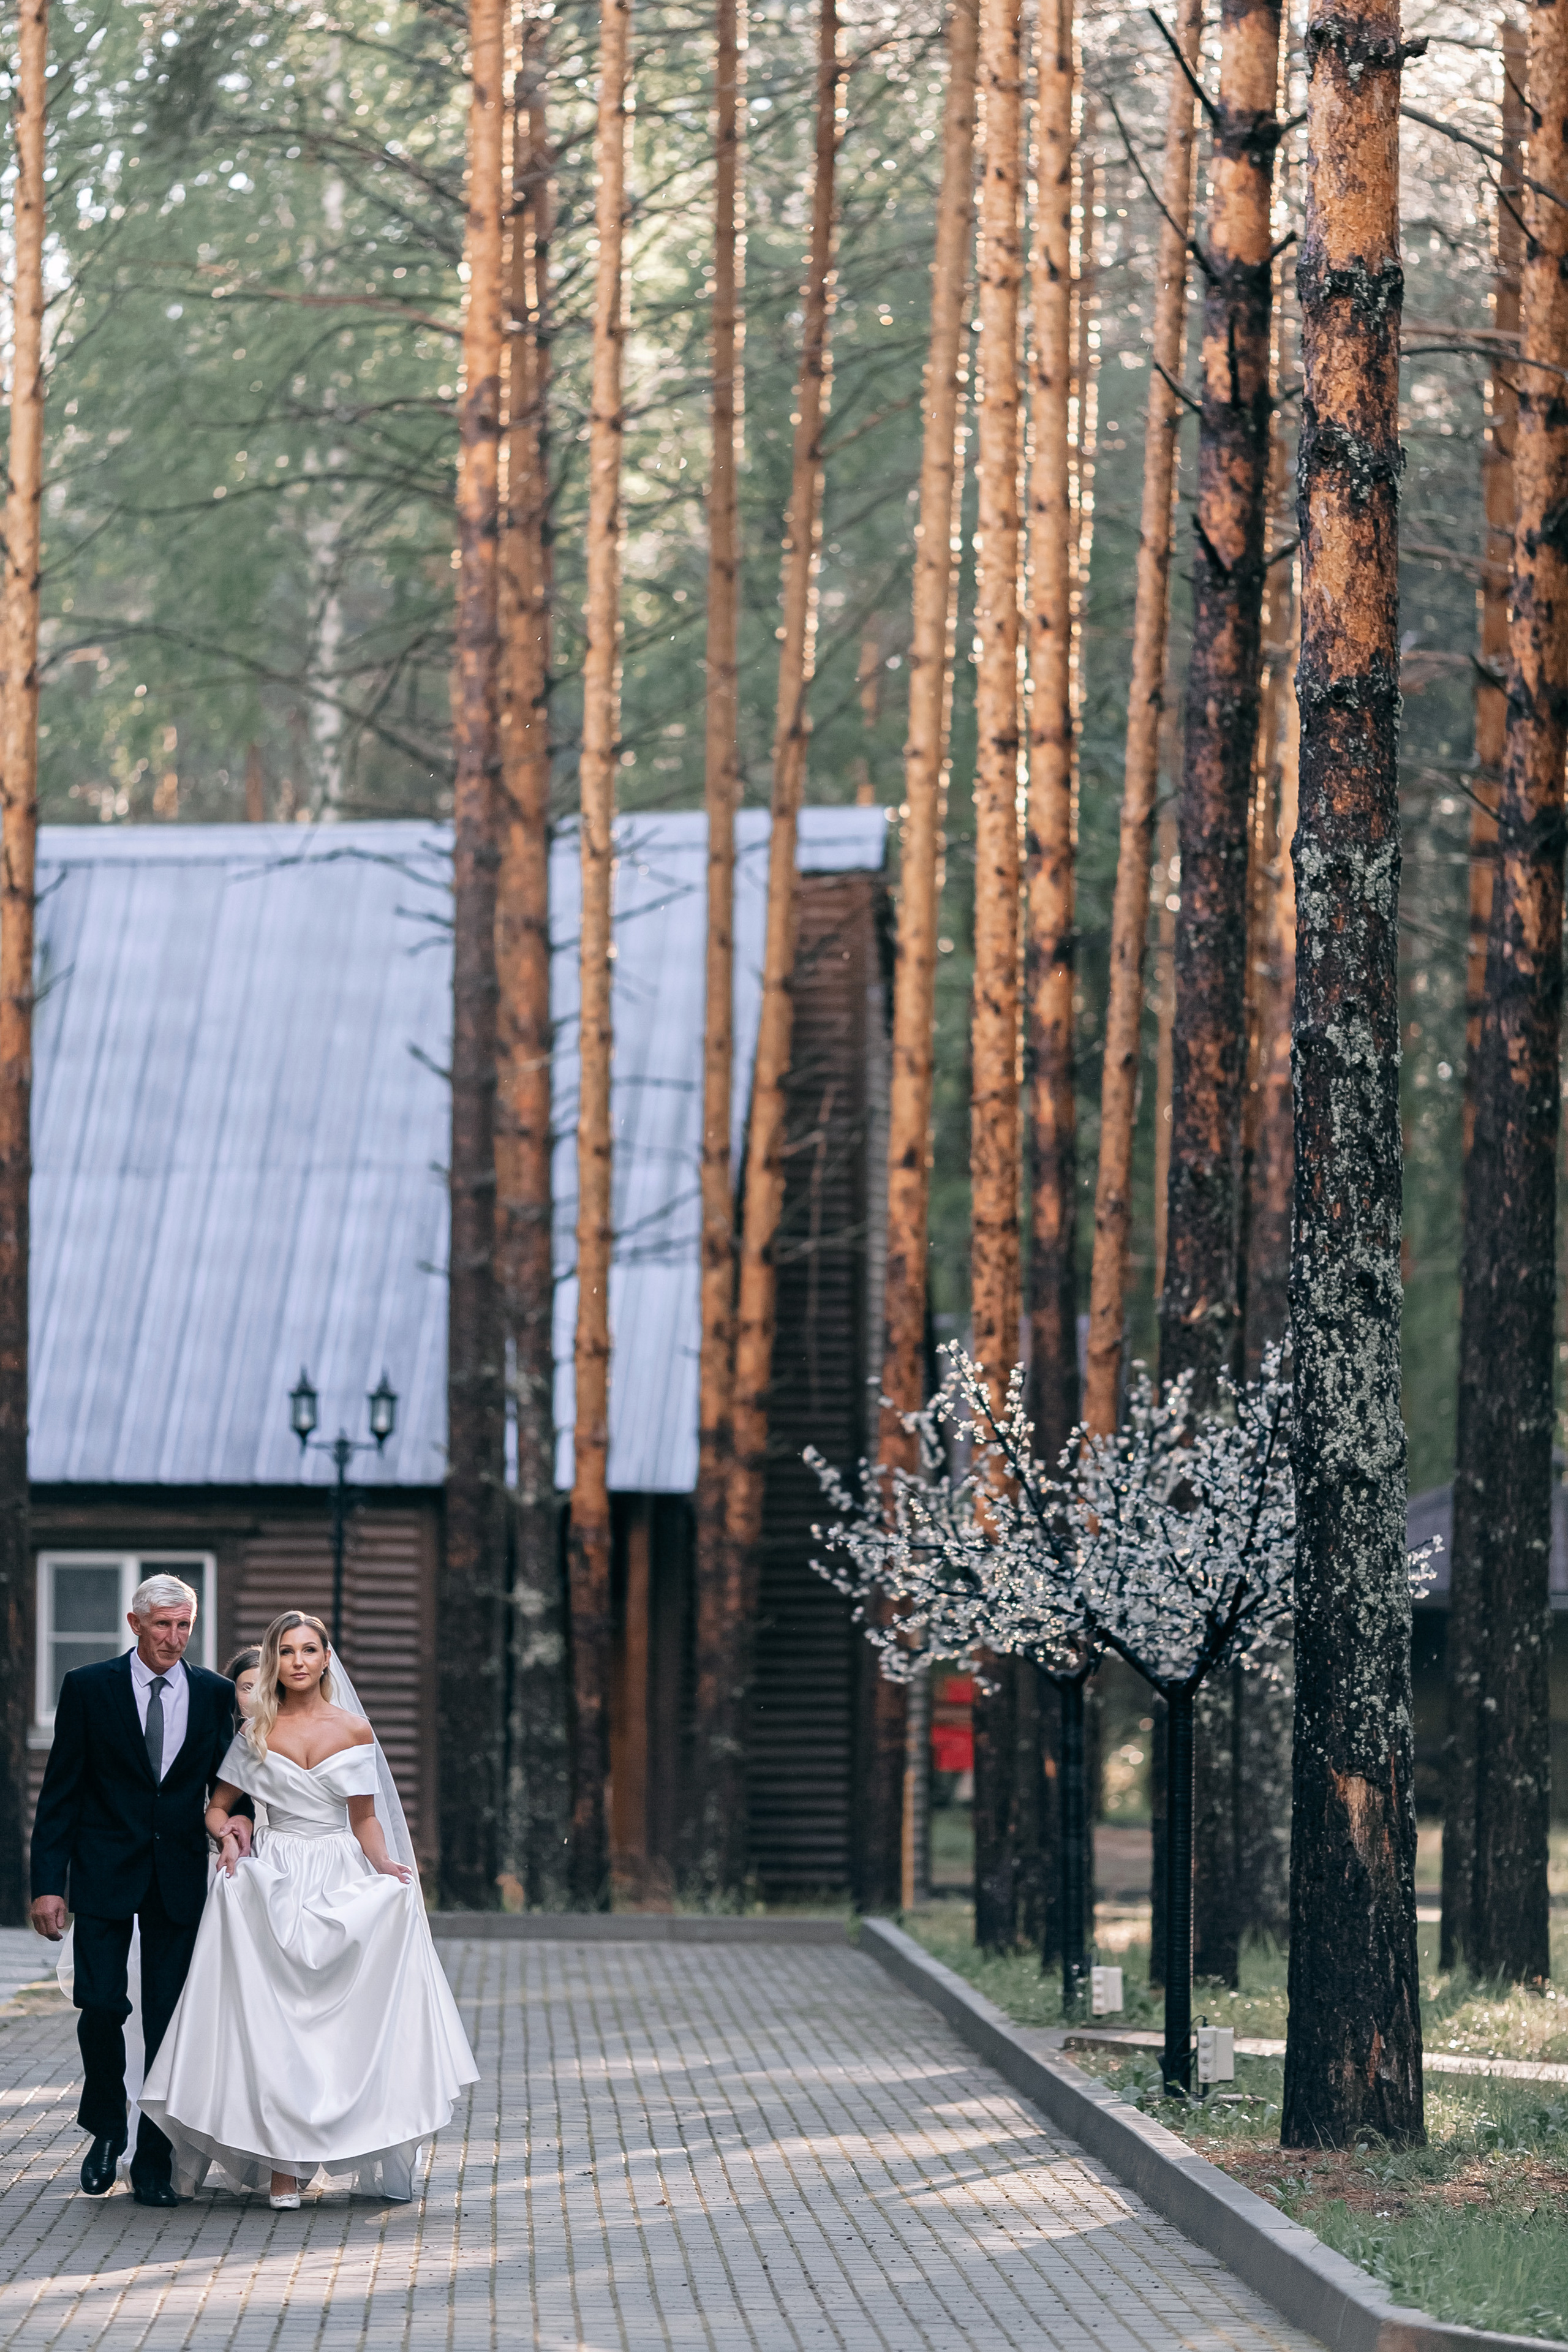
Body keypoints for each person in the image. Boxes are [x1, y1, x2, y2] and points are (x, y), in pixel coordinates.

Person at [140, 1610, 477, 2209]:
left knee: (334, 2025)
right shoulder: (255, 1733)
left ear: (325, 1659)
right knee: (275, 2025)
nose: (298, 1660)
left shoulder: (353, 1731)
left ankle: (345, 2137)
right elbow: (216, 1808)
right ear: (274, 1662)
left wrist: (386, 1869)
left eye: (308, 1650)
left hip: (338, 1869)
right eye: (286, 1651)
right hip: (273, 1875)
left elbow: (365, 1818)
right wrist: (231, 1836)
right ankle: (282, 2169)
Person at [29, 1574, 254, 2207]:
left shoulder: (213, 1694)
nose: (175, 1638)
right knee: (101, 2004)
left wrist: (242, 1823)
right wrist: (49, 1884)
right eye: (163, 1625)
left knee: (168, 2020)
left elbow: (228, 1785)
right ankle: (106, 2126)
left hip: (180, 1876)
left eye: (185, 1625)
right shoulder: (87, 1688)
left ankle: (153, 2159)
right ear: (135, 1625)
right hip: (102, 1872)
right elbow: (60, 1795)